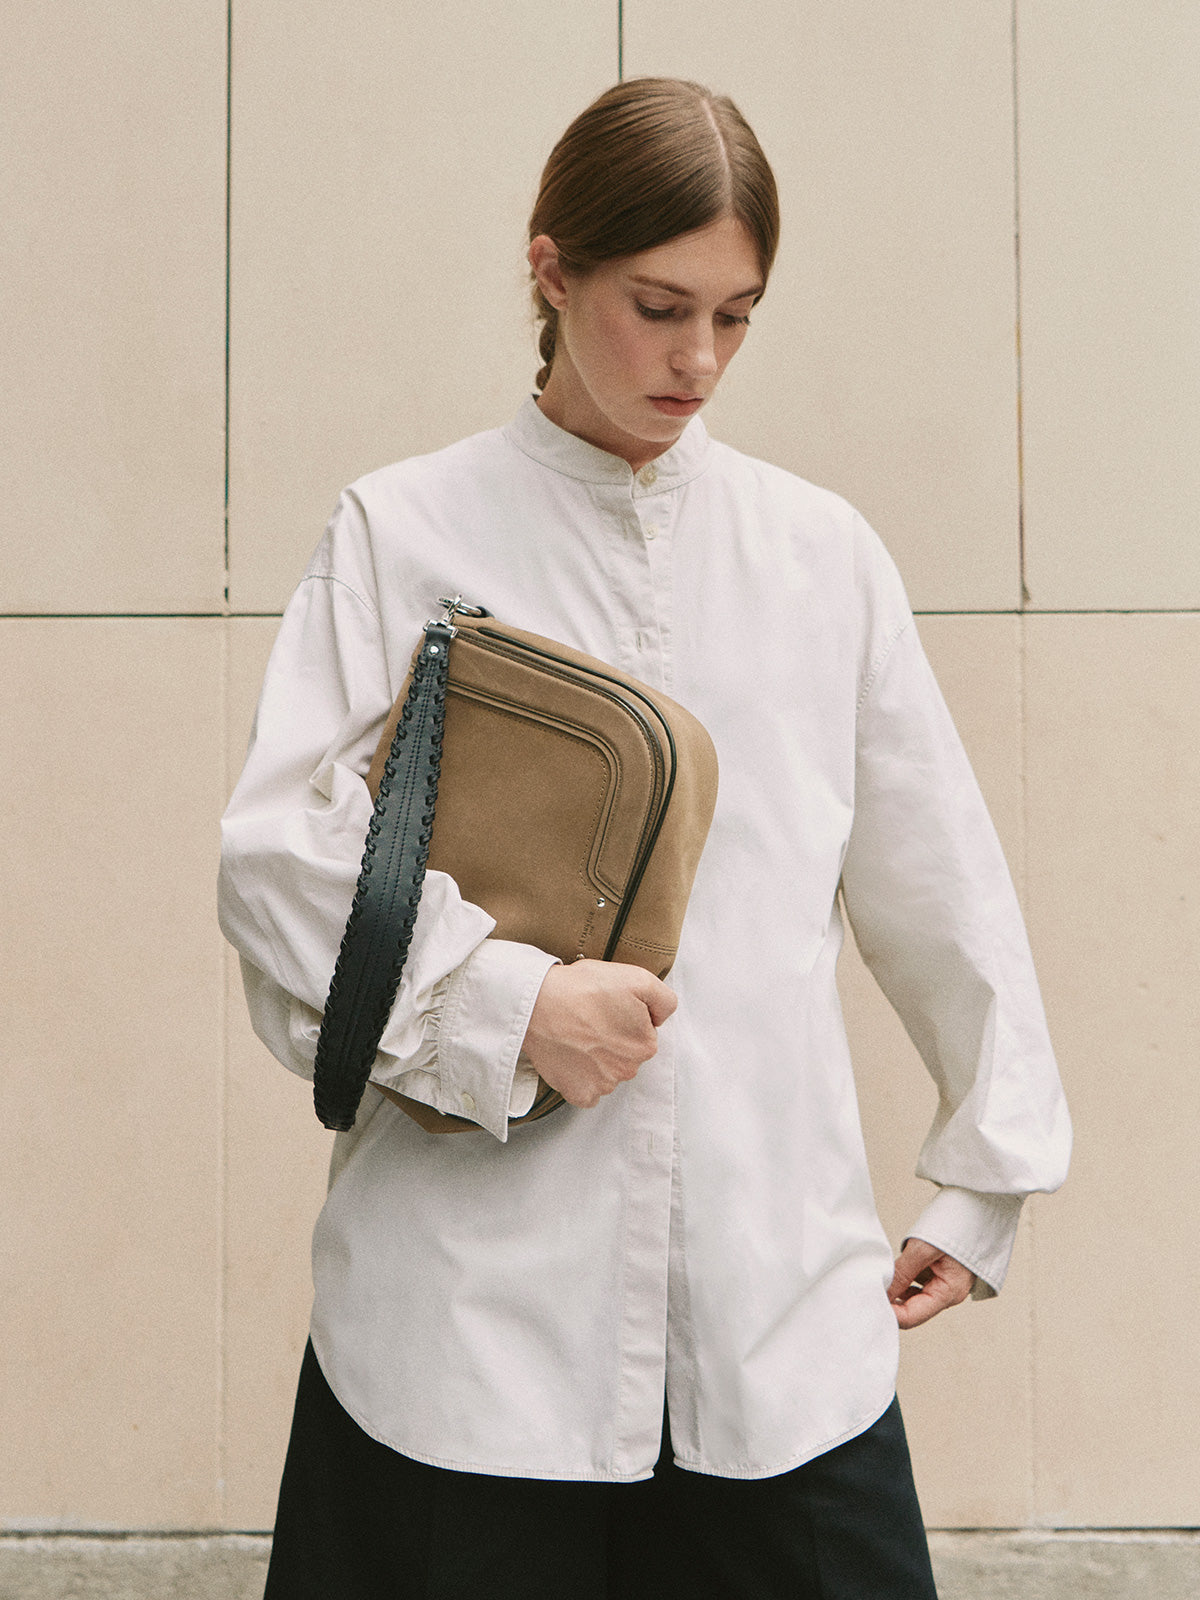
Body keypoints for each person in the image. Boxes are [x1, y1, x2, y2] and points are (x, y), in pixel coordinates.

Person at [218, 77, 1071, 1599]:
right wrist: (512, 1006)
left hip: (777, 1323)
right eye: (659, 307)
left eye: (737, 316)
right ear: (550, 271)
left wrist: (986, 1170)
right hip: (463, 1338)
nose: (699, 361)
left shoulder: (820, 555)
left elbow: (939, 878)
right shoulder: (401, 532)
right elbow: (278, 863)